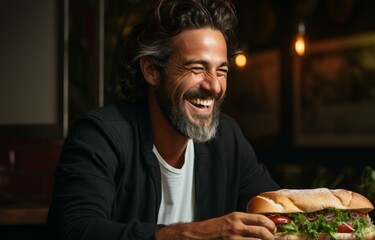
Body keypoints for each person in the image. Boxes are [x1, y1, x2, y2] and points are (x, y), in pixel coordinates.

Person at [46, 0, 280, 239]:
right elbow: (72, 230)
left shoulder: (227, 137)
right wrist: (195, 233)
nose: (214, 86)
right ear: (151, 71)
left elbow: (278, 213)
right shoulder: (100, 136)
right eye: (197, 68)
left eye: (221, 71)